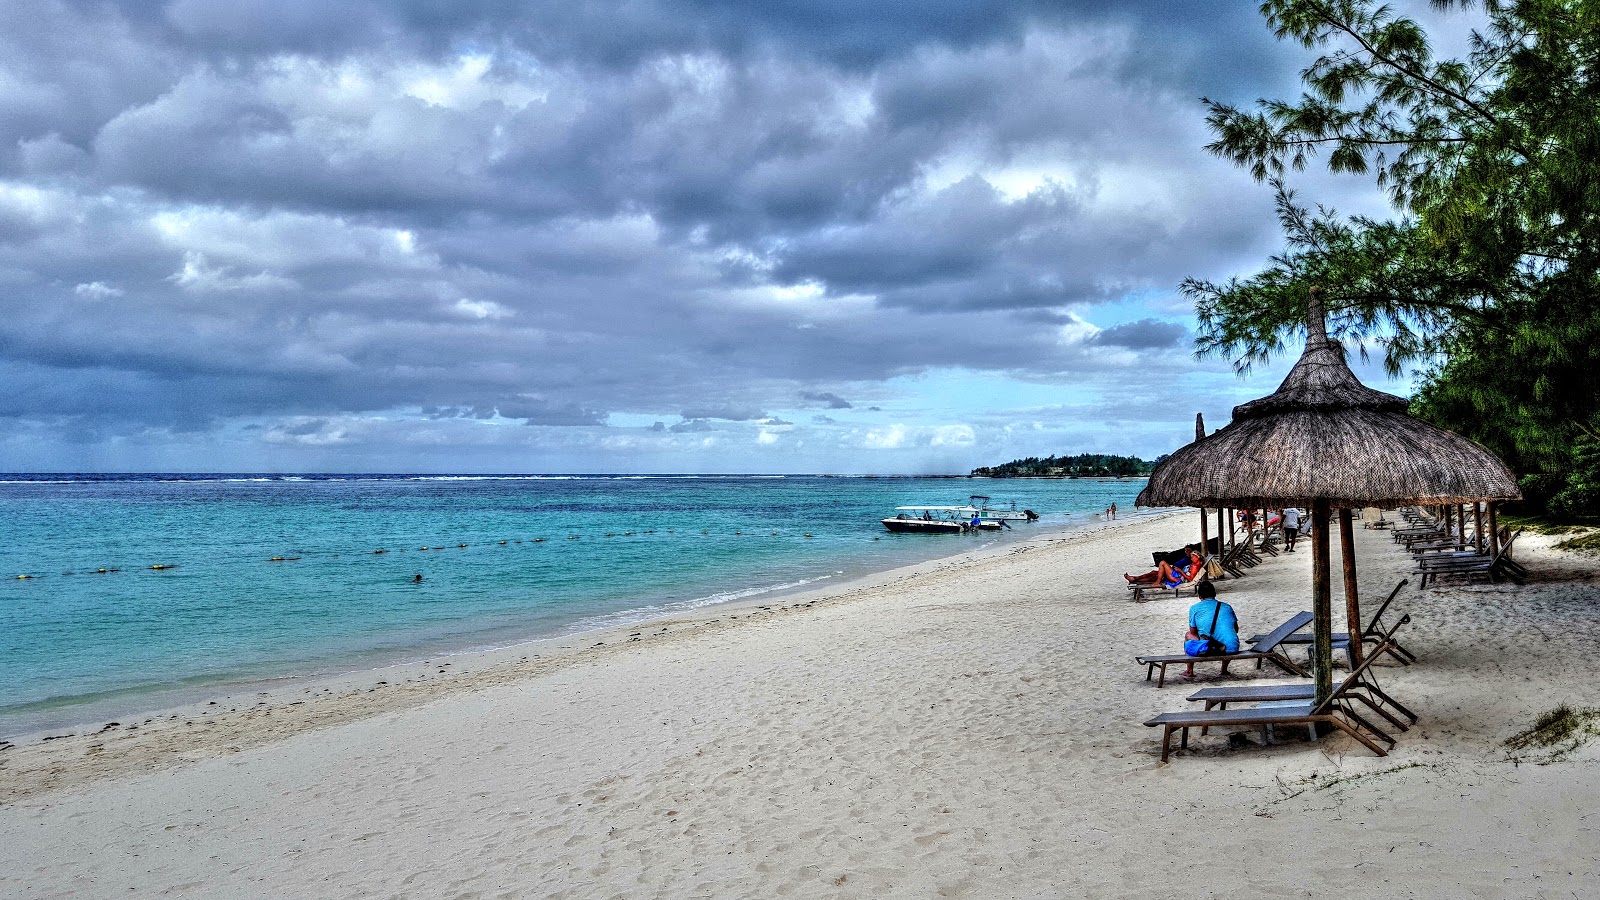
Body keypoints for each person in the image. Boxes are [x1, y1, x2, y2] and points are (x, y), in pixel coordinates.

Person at [1183, 581, 1240, 677]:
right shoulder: (1227, 606)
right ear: (1214, 593)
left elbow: (1193, 632)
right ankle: (1224, 669)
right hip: (1232, 647)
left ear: (1199, 595)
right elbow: (1236, 629)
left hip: (1210, 647)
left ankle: (1189, 670)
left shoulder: (1195, 608)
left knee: (1188, 635)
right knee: (1227, 637)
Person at [1125, 547, 1202, 586]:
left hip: (1178, 578)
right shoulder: (1194, 563)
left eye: (1192, 556)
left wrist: (1180, 571)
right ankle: (1134, 579)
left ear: (1197, 557)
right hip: (1177, 574)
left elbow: (1191, 579)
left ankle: (1157, 582)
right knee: (1154, 573)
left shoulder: (1194, 566)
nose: (1191, 558)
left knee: (1162, 563)